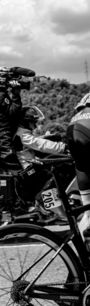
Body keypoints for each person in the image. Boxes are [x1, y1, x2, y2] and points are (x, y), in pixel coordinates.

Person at [14, 106, 68, 217]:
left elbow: (36, 141)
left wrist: (49, 137)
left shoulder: (22, 132)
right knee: (53, 176)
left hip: (30, 164)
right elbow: (39, 144)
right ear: (25, 122)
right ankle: (50, 206)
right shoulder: (22, 134)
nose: (35, 125)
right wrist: (62, 147)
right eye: (33, 122)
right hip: (27, 167)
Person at [0, 68, 23, 171]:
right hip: (3, 136)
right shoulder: (1, 96)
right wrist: (16, 94)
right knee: (14, 169)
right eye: (7, 78)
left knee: (2, 168)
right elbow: (14, 112)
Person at [66, 92, 90, 241]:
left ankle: (83, 246)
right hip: (86, 127)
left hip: (72, 127)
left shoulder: (82, 107)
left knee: (88, 212)